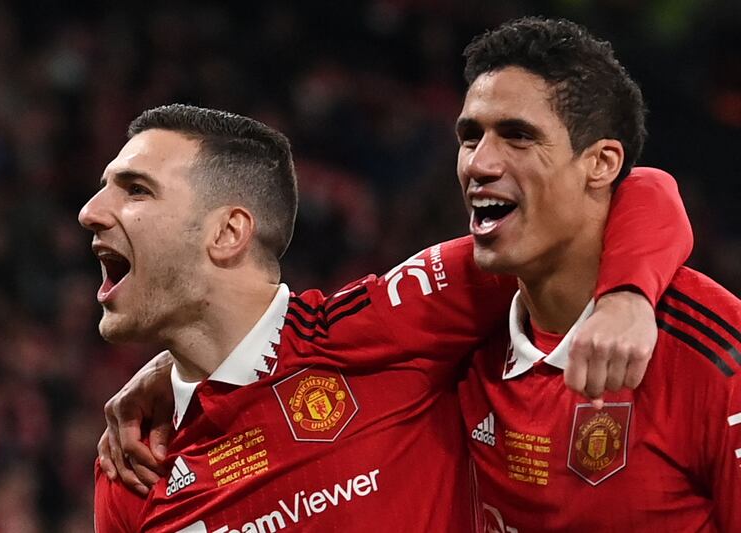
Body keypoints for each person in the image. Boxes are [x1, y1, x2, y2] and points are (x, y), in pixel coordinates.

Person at [83, 105, 690, 532]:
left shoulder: (387, 323)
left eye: (135, 190)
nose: (90, 212)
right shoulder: (135, 462)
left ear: (228, 233)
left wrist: (624, 297)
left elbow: (628, 195)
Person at [453, 17, 741, 532]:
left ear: (602, 163)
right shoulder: (450, 330)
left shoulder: (717, 356)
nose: (479, 163)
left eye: (518, 136)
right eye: (470, 136)